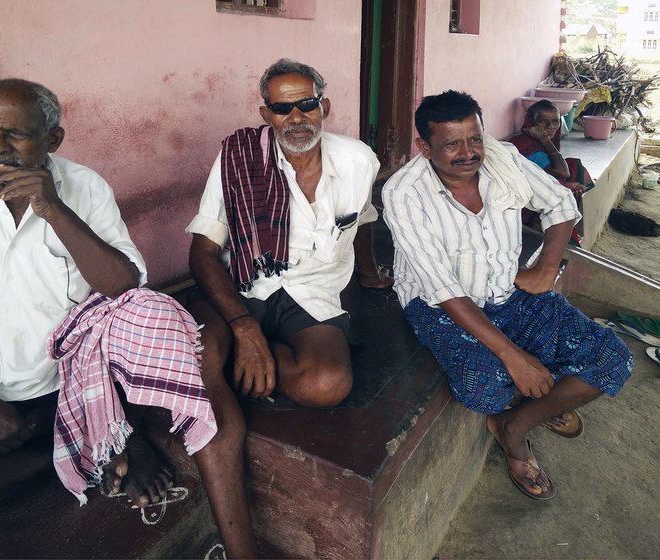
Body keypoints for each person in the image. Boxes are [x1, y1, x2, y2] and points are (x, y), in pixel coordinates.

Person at [0, 79, 257, 557]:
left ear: (52, 140)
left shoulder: (84, 188)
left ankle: (92, 439)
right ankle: (75, 453)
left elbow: (122, 285)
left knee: (148, 315)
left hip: (62, 384)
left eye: (15, 135)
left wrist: (53, 208)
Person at [382, 90, 632, 500]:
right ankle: (535, 404)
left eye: (474, 138)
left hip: (508, 290)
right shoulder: (403, 193)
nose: (469, 153)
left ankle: (514, 426)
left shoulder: (501, 157)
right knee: (486, 388)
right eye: (452, 144)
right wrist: (514, 356)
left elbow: (560, 204)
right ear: (425, 147)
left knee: (613, 359)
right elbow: (443, 288)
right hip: (440, 306)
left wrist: (546, 268)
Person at [186, 58, 392, 409]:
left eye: (307, 104)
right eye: (282, 108)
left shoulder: (358, 161)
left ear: (323, 107)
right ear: (266, 115)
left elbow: (362, 220)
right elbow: (202, 253)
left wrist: (369, 273)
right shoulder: (238, 158)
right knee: (195, 359)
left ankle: (247, 358)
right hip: (244, 285)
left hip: (314, 290)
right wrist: (244, 326)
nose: (296, 118)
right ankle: (248, 347)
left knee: (327, 384)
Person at [509, 99, 594, 245]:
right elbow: (562, 172)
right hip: (526, 198)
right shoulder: (523, 145)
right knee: (567, 182)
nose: (550, 127)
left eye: (555, 122)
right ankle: (557, 236)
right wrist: (546, 141)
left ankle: (575, 228)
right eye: (543, 122)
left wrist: (564, 183)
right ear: (531, 122)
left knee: (575, 166)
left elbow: (554, 172)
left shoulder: (540, 143)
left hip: (541, 181)